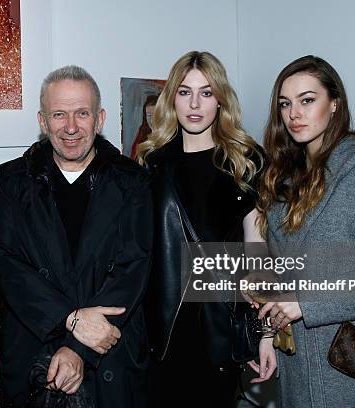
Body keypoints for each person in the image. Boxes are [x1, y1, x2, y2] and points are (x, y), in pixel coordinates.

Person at [256, 55, 355, 407]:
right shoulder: (285, 176)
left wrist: (310, 303)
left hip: (349, 364)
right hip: (296, 359)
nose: (294, 114)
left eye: (307, 100)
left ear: (334, 104)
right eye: (285, 104)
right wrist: (269, 334)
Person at [0, 65, 153, 407]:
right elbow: (6, 266)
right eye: (59, 114)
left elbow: (132, 268)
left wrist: (77, 347)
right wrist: (69, 319)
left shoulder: (133, 181)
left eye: (82, 113)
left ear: (100, 118)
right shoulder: (11, 181)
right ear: (43, 121)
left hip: (109, 349)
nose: (72, 127)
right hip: (34, 350)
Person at [137, 50, 276, 407]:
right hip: (162, 327)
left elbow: (258, 252)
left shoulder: (246, 162)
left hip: (218, 323)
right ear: (172, 99)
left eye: (206, 92)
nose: (195, 103)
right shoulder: (152, 161)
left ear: (221, 100)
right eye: (185, 92)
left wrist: (262, 333)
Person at [129, 94, 158, 159]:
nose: (152, 120)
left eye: (155, 115)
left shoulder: (171, 138)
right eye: (149, 115)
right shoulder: (142, 134)